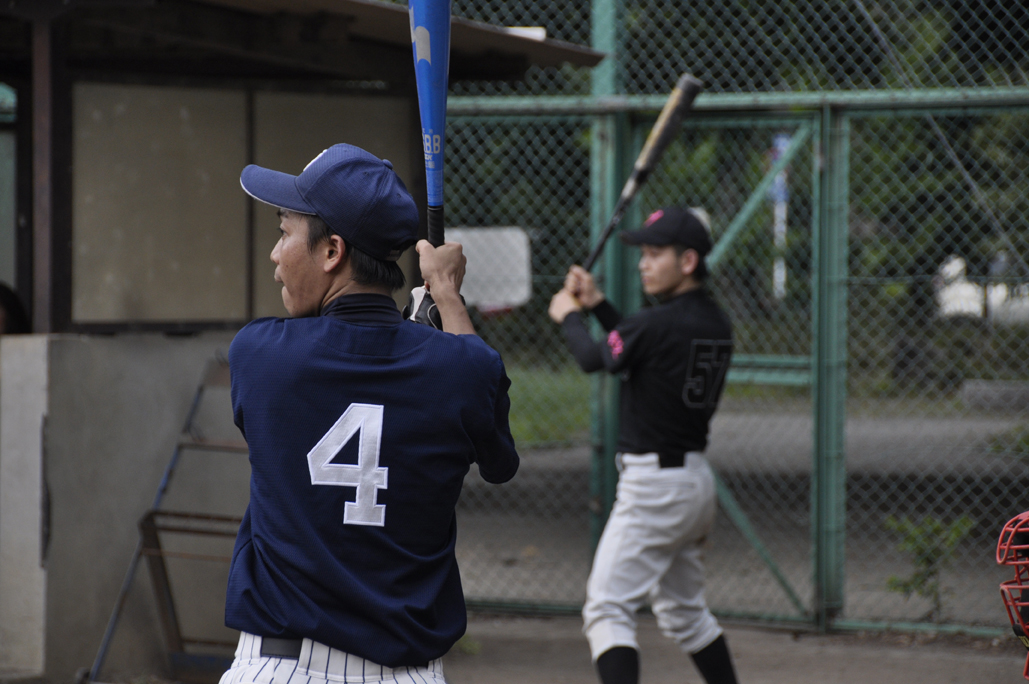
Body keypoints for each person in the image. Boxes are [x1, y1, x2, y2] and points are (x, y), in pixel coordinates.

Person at [219, 144, 519, 684]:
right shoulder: (462, 369)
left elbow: (349, 365)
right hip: (411, 675)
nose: (276, 254)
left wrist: (415, 330)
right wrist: (446, 298)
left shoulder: (260, 354)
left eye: (285, 233)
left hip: (280, 667)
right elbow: (498, 458)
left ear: (332, 251)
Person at [548, 206, 738, 684]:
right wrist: (597, 304)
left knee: (606, 609)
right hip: (692, 483)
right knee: (685, 613)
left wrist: (570, 316)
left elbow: (595, 357)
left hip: (655, 489)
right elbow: (634, 350)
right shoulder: (715, 321)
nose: (643, 263)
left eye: (655, 254)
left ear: (688, 261)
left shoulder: (655, 324)